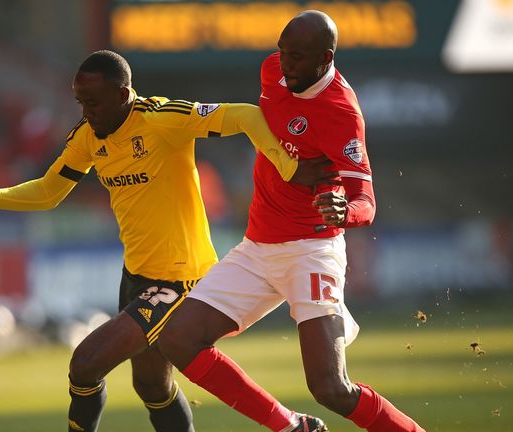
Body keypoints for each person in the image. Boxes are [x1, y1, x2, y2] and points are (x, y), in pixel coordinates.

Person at [0, 50, 338, 432]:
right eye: (80, 102)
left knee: (85, 365)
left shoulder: (164, 119)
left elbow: (246, 115)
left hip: (180, 279)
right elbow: (48, 192)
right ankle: (291, 426)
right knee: (152, 386)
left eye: (93, 102)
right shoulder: (87, 137)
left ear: (124, 94)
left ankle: (288, 424)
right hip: (137, 276)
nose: (86, 112)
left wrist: (287, 166)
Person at [158, 10, 426, 432]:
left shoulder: (341, 112)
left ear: (326, 56)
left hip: (311, 251)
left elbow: (365, 201)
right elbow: (266, 128)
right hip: (257, 247)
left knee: (331, 388)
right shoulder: (273, 71)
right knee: (177, 340)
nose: (285, 65)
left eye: (297, 57)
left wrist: (345, 212)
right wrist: (288, 165)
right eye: (283, 53)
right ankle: (289, 425)